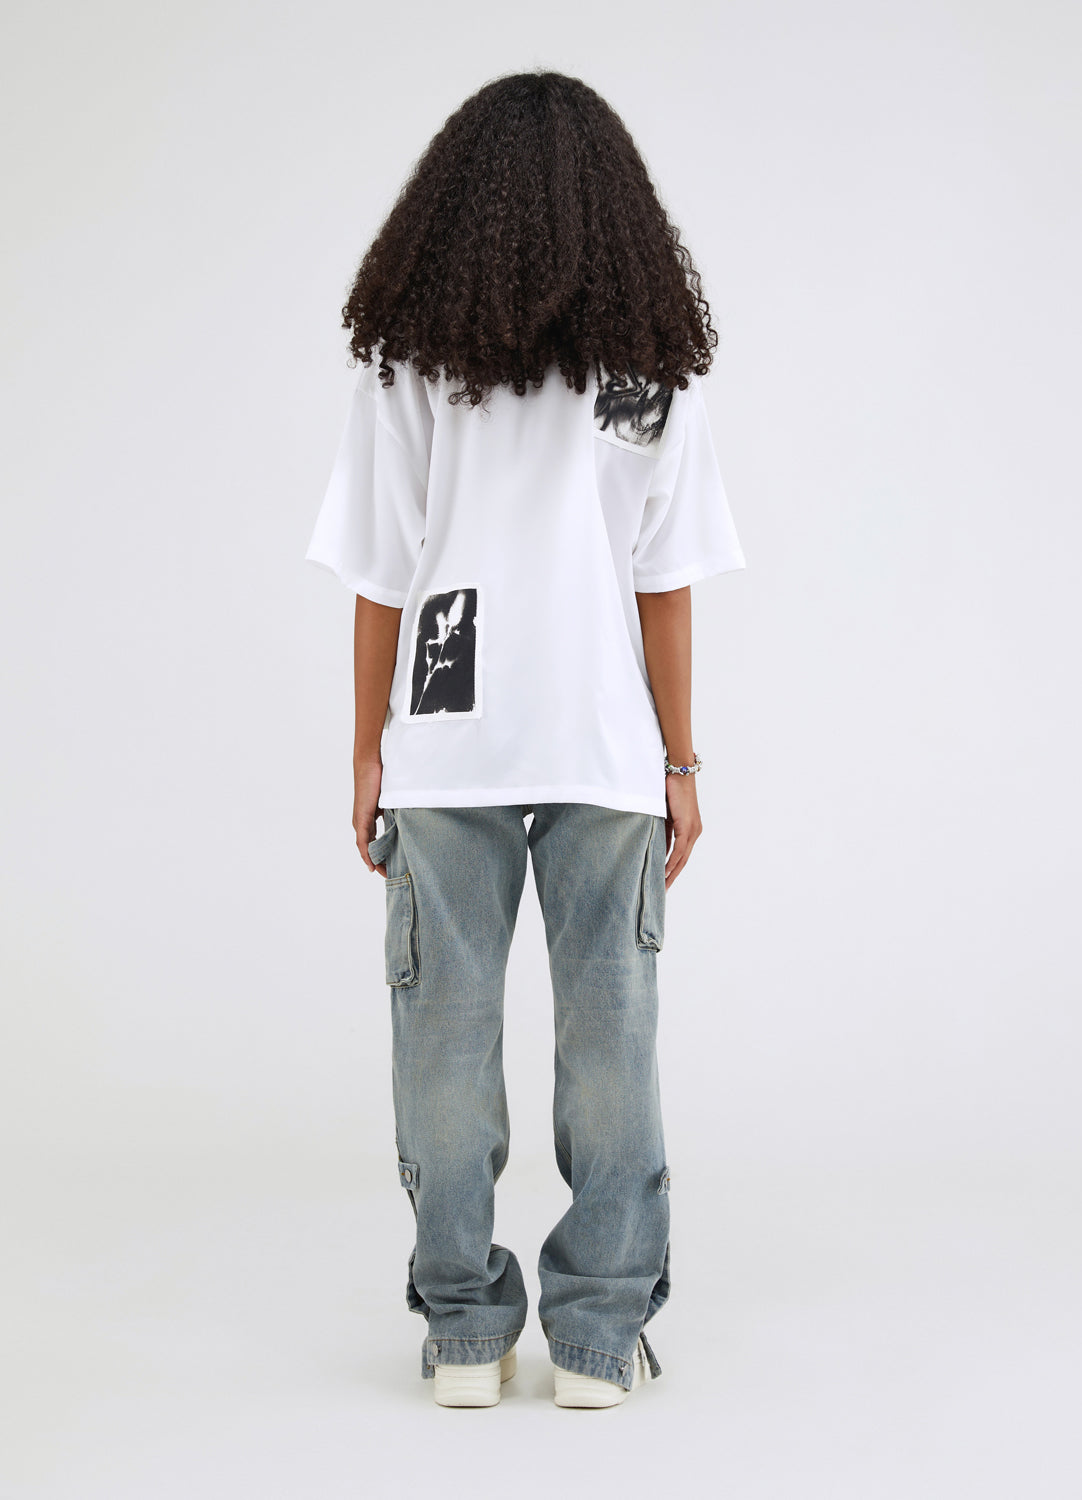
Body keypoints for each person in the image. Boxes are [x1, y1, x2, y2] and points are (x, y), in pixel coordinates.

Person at [304, 69, 747, 1409]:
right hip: (604, 739)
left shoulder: (409, 365)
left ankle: (462, 1333)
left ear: (453, 206)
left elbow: (381, 576)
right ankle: (599, 1336)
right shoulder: (647, 373)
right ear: (616, 208)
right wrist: (680, 762)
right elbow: (661, 585)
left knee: (441, 1046)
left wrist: (368, 750)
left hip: (447, 735)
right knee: (611, 1043)